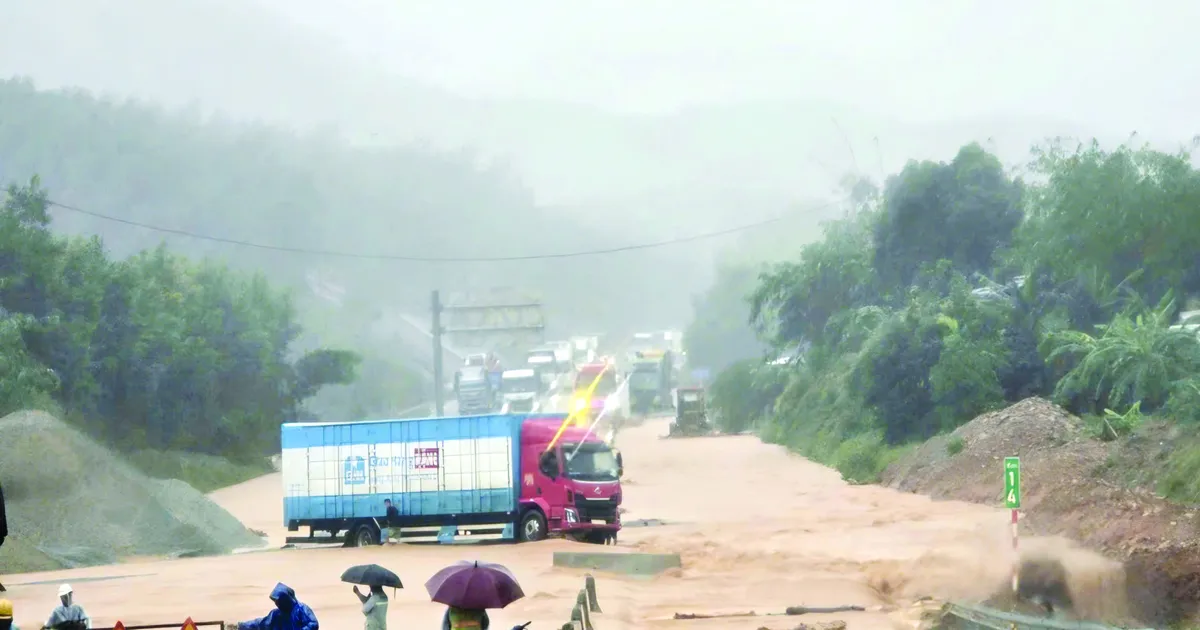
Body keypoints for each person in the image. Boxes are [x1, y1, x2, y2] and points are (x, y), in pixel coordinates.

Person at [237, 583, 318, 630]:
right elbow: (261, 623)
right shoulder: (276, 614)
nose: (276, 603)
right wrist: (241, 626)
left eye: (279, 601)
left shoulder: (301, 609)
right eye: (275, 601)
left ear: (286, 599)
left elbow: (313, 624)